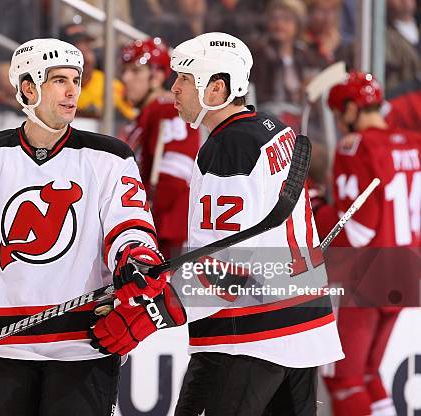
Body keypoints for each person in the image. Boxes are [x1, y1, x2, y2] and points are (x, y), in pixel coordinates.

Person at [0, 38, 168, 415]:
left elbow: (130, 229)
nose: (73, 90)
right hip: (5, 343)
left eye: (76, 79)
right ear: (28, 87)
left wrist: (135, 261)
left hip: (82, 344)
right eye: (59, 80)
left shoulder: (110, 156)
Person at [91, 32, 344, 415]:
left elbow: (225, 272)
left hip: (249, 337)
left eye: (185, 80)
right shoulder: (274, 129)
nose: (173, 88)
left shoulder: (228, 149)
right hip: (305, 328)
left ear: (217, 88)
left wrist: (149, 316)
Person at [322, 71, 421, 416]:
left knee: (344, 379)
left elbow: (359, 229)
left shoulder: (355, 146)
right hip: (407, 269)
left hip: (369, 273)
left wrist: (319, 212)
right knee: (368, 372)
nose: (339, 123)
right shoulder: (413, 143)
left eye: (339, 114)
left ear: (351, 108)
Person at [120, 37, 200, 258]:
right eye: (125, 70)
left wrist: (149, 224)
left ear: (156, 77)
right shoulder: (141, 118)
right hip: (148, 231)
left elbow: (174, 178)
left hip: (164, 235)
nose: (125, 78)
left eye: (135, 71)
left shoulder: (167, 111)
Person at [60, 23, 136, 120]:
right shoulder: (54, 87)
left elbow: (130, 119)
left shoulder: (110, 85)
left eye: (87, 49)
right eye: (78, 52)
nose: (86, 58)